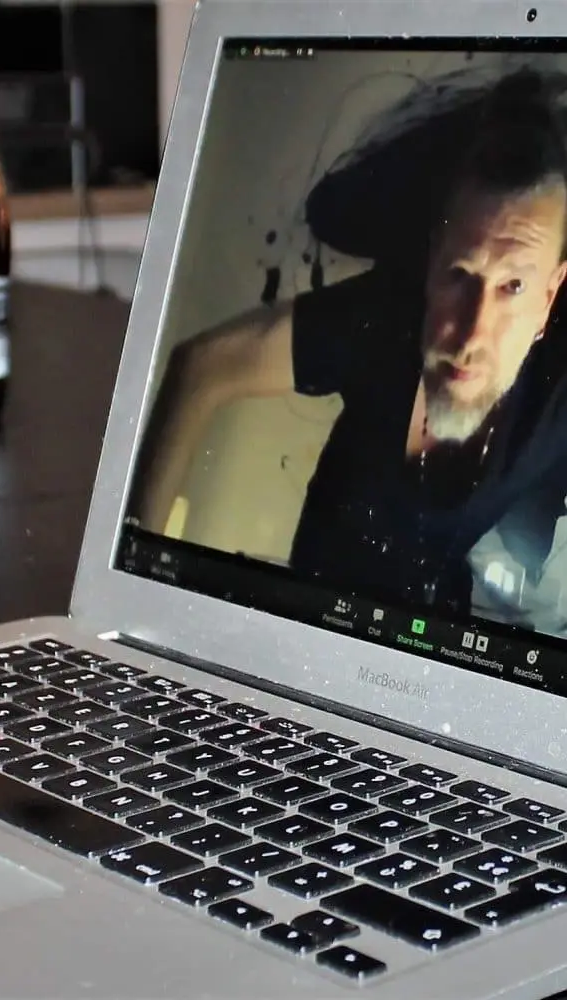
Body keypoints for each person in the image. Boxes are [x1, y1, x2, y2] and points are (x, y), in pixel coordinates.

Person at [131, 68, 567, 614]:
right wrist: (141, 579)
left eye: (513, 287)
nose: (472, 333)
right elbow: (201, 366)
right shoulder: (384, 318)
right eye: (460, 274)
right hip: (306, 622)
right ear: (433, 260)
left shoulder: (557, 396)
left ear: (551, 295)